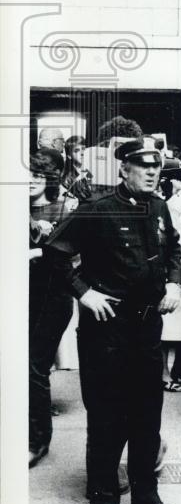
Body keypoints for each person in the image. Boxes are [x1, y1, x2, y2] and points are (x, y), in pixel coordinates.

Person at [47, 136, 181, 504]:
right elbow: (55, 253)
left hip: (147, 329)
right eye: (143, 166)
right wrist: (84, 292)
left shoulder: (159, 207)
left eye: (156, 166)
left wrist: (174, 283)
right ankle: (102, 501)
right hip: (107, 330)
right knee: (107, 417)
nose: (153, 172)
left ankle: (145, 497)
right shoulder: (98, 210)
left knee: (146, 416)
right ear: (123, 169)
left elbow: (172, 251)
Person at [28, 150, 77, 468]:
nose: (31, 179)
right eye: (29, 172)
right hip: (23, 297)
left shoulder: (68, 207)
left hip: (54, 297)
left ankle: (37, 440)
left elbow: (70, 261)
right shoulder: (16, 207)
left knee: (34, 366)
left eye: (39, 173)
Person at [160, 168, 181, 391]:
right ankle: (164, 372)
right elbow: (177, 240)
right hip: (175, 265)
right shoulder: (169, 204)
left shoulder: (178, 201)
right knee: (169, 322)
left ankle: (178, 367)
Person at [62, 134, 92, 202]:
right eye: (76, 151)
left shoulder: (94, 170)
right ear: (69, 155)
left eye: (84, 149)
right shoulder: (67, 179)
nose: (82, 153)